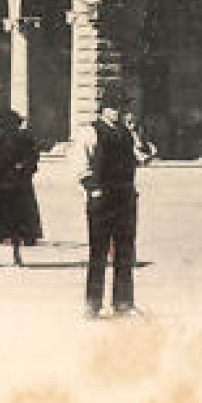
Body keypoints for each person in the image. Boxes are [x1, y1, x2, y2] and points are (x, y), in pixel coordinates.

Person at [77, 91, 144, 318]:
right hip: (102, 198)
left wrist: (142, 144)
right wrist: (92, 189)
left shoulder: (127, 133)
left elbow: (139, 158)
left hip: (125, 198)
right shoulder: (90, 131)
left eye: (121, 107)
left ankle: (123, 303)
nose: (118, 112)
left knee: (125, 251)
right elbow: (80, 162)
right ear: (103, 109)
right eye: (114, 107)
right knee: (99, 252)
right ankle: (92, 304)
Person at [0, 108, 42, 267]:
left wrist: (23, 167)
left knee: (15, 225)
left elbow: (33, 157)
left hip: (14, 186)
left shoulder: (24, 138)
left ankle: (14, 255)